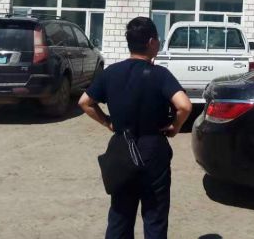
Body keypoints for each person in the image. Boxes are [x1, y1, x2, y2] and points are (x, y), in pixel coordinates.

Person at [78, 17, 192, 239]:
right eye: (158, 39)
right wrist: (175, 127)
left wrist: (107, 122)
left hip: (122, 148)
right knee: (155, 217)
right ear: (151, 42)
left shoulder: (111, 72)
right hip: (153, 150)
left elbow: (85, 102)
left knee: (120, 215)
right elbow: (185, 106)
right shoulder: (160, 75)